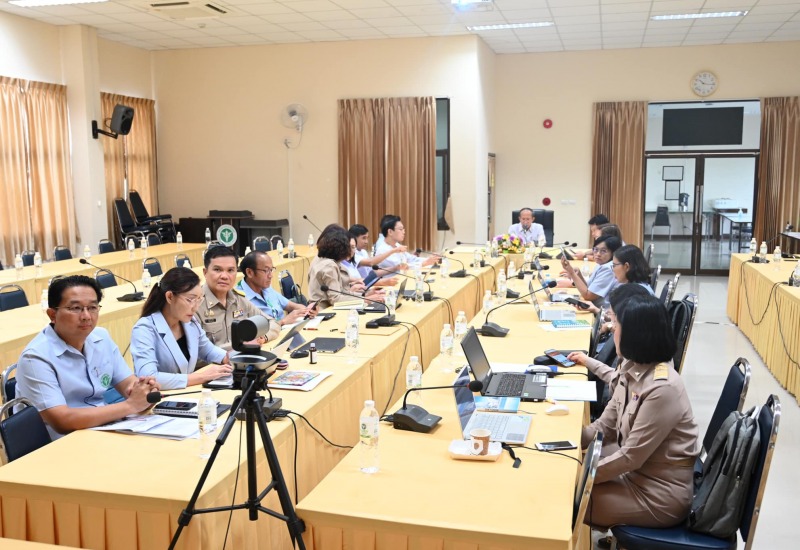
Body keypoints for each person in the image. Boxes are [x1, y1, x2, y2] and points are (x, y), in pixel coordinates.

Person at [581, 293, 699, 530]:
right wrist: (558, 441)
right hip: (635, 475)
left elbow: (630, 458)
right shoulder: (631, 367)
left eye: (616, 324)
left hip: (658, 495)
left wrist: (579, 476)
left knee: (564, 501)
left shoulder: (661, 388)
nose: (612, 329)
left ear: (635, 334)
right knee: (560, 479)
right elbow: (604, 428)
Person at [15, 275, 158, 439]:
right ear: (52, 314)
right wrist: (130, 405)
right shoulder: (35, 357)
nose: (86, 316)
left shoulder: (101, 337)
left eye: (92, 307)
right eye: (75, 308)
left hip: (104, 428)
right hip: (60, 443)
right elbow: (62, 421)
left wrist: (145, 390)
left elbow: (128, 384)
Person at [131, 267, 232, 390]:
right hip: (159, 400)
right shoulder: (144, 329)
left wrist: (232, 359)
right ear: (169, 297)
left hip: (186, 394)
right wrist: (201, 377)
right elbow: (148, 378)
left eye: (199, 300)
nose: (195, 307)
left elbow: (207, 350)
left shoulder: (189, 322)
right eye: (190, 300)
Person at [195, 246, 280, 350]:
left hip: (241, 360)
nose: (224, 276)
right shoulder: (195, 304)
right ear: (205, 272)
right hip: (214, 365)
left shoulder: (238, 299)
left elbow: (272, 322)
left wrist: (262, 338)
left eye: (230, 270)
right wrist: (240, 345)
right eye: (217, 270)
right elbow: (196, 353)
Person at [309, 225, 384, 308]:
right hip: (324, 313)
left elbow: (341, 291)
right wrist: (366, 299)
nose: (351, 251)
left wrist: (365, 294)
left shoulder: (328, 261)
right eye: (349, 247)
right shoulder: (329, 265)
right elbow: (336, 299)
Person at [237, 251, 316, 327]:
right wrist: (282, 322)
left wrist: (308, 310)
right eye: (266, 270)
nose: (271, 275)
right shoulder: (238, 299)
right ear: (250, 272)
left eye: (271, 270)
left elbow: (293, 306)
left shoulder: (266, 288)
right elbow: (246, 333)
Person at [570, 244, 654, 314]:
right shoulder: (634, 284)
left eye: (614, 265)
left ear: (627, 266)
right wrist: (595, 309)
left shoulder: (635, 293)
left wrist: (608, 326)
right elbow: (617, 319)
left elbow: (619, 325)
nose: (612, 270)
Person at [558, 235, 622, 308]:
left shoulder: (608, 269)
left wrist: (572, 274)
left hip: (603, 312)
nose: (598, 254)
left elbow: (588, 296)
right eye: (596, 249)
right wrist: (578, 274)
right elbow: (588, 288)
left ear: (613, 253)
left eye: (603, 251)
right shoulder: (602, 263)